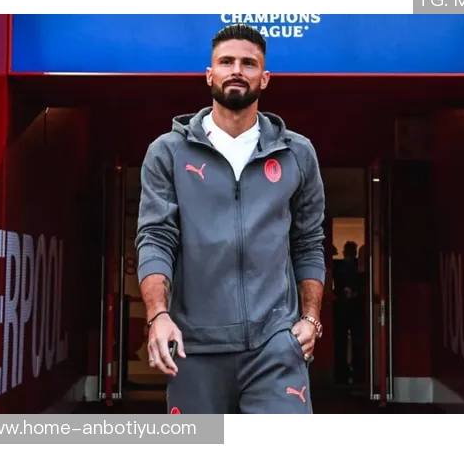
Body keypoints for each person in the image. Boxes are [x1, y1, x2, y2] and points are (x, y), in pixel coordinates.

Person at [135, 23, 326, 414]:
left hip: (275, 346)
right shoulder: (168, 152)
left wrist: (310, 318)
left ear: (264, 78)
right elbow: (155, 238)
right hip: (193, 347)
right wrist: (158, 315)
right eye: (226, 62)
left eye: (248, 63)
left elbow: (308, 242)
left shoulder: (297, 153)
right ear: (210, 74)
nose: (237, 70)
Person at [331, 241, 365, 384]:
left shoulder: (340, 267)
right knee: (347, 341)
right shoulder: (351, 267)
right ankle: (349, 371)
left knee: (351, 341)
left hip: (348, 308)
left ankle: (349, 371)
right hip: (349, 308)